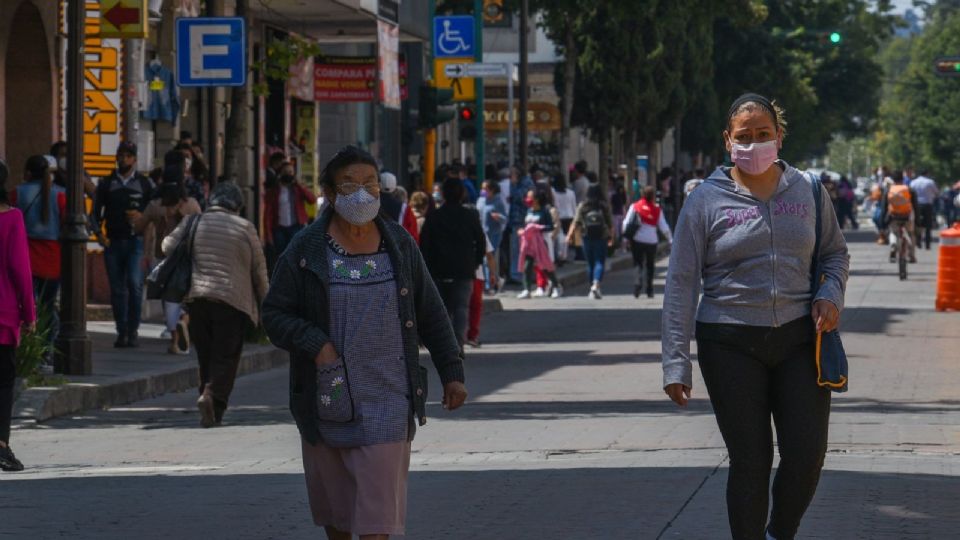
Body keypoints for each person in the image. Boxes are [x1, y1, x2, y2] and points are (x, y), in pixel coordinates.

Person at [662, 94, 849, 540]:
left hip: (800, 340)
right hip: (728, 342)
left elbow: (834, 254)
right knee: (751, 460)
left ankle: (778, 532)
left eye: (763, 134)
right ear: (728, 141)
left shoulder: (807, 189)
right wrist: (675, 360)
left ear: (779, 137)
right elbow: (681, 283)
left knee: (806, 456)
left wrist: (830, 294)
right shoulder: (705, 200)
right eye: (743, 137)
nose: (754, 144)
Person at [261, 146, 467, 539]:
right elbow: (275, 313)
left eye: (370, 184)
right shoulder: (306, 250)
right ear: (330, 192)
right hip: (328, 398)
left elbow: (431, 312)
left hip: (389, 400)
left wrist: (452, 372)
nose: (362, 193)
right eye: (350, 184)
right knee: (338, 522)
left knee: (377, 525)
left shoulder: (399, 245)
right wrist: (317, 345)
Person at [163, 181, 268, 427]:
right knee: (226, 356)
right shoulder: (245, 228)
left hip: (198, 298)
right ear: (237, 206)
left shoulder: (194, 221)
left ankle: (207, 401)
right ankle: (212, 397)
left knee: (206, 355)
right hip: (233, 302)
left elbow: (167, 246)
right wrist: (268, 306)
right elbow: (259, 272)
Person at [93, 141, 153, 348]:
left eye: (128, 155)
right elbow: (95, 214)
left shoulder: (145, 184)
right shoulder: (107, 183)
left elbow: (153, 212)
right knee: (117, 289)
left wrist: (141, 217)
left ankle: (133, 330)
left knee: (135, 286)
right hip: (113, 241)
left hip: (135, 242)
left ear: (135, 159)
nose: (123, 159)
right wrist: (98, 235)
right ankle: (121, 331)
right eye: (121, 155)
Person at [133, 173, 201, 355]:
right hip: (187, 259)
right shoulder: (193, 205)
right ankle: (183, 321)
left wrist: (136, 221)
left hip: (166, 259)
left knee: (169, 300)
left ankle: (175, 339)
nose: (168, 209)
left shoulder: (156, 207)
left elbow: (138, 226)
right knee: (184, 298)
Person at [10, 156, 65, 368]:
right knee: (49, 306)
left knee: (27, 305)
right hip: (53, 258)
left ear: (28, 173)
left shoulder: (18, 192)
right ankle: (46, 350)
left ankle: (27, 348)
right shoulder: (60, 194)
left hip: (27, 255)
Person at [420, 178, 487, 349]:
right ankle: (458, 343)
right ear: (462, 194)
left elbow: (424, 244)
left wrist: (427, 266)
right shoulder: (470, 216)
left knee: (441, 309)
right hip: (464, 270)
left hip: (438, 269)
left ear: (442, 194)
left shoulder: (434, 216)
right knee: (461, 307)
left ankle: (445, 344)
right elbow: (481, 241)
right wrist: (476, 262)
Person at [0, 158, 35, 472]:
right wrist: (30, 312)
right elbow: (21, 271)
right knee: (3, 382)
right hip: (3, 314)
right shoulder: (12, 219)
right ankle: (1, 445)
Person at [624, 185, 673, 299]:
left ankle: (637, 284)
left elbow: (626, 222)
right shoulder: (656, 209)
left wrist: (625, 238)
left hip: (637, 240)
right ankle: (649, 289)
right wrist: (671, 239)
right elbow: (664, 226)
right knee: (650, 265)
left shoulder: (635, 206)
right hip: (651, 241)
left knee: (638, 263)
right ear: (653, 196)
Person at [567, 184, 614, 299]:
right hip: (601, 237)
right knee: (599, 261)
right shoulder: (603, 206)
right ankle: (596, 284)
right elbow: (610, 224)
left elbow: (576, 222)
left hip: (586, 236)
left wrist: (569, 235)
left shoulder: (583, 206)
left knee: (590, 263)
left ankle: (592, 287)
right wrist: (611, 238)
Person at [264, 162, 317, 260]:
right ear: (280, 174)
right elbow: (268, 213)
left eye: (291, 172)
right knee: (281, 256)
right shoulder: (274, 191)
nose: (288, 174)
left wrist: (299, 185)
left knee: (296, 254)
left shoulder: (297, 189)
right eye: (285, 172)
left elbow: (312, 200)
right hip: (279, 229)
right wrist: (268, 235)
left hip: (296, 227)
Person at [524, 187, 562, 298]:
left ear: (536, 199)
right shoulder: (529, 210)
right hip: (530, 242)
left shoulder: (545, 211)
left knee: (545, 266)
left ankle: (556, 286)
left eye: (530, 197)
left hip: (542, 241)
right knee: (527, 266)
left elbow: (550, 226)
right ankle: (527, 289)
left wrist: (538, 228)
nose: (527, 199)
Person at [880, 171, 918, 264]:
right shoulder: (909, 189)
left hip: (894, 216)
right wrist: (918, 220)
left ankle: (893, 245)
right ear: (902, 179)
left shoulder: (889, 191)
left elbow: (884, 208)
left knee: (893, 232)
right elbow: (915, 206)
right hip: (907, 216)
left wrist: (882, 223)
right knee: (910, 233)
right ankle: (911, 255)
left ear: (893, 180)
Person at [480, 180, 507, 290]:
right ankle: (495, 280)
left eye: (485, 189)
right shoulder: (481, 201)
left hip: (494, 234)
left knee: (488, 259)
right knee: (484, 260)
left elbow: (505, 219)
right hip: (482, 234)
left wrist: (498, 217)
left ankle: (488, 285)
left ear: (492, 190)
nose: (482, 191)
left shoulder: (498, 202)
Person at [910, 170, 939, 250]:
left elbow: (910, 192)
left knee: (918, 224)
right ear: (927, 174)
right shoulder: (930, 182)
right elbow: (936, 192)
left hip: (917, 205)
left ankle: (918, 241)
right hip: (927, 205)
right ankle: (927, 244)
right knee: (928, 225)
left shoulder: (913, 182)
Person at [553, 175, 578, 263]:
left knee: (559, 237)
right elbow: (574, 206)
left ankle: (560, 255)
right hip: (569, 216)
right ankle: (564, 255)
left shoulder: (554, 193)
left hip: (559, 216)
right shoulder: (571, 193)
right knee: (567, 237)